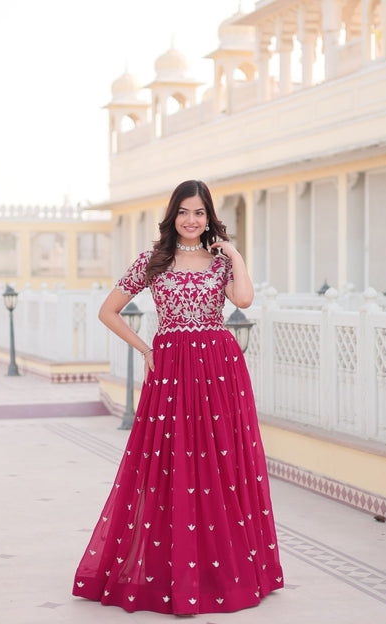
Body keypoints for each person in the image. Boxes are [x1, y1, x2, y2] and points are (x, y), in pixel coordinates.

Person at [72, 180, 283, 615]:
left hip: (219, 369)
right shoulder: (153, 262)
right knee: (171, 463)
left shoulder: (221, 264)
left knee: (223, 463)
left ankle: (226, 569)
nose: (192, 220)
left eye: (200, 213)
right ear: (173, 216)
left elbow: (243, 298)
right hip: (170, 370)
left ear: (209, 217)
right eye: (184, 212)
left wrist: (235, 255)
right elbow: (108, 310)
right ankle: (172, 572)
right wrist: (146, 348)